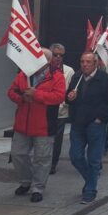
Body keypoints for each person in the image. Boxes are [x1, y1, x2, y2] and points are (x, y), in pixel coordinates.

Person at [8, 48, 66, 203]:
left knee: (42, 158)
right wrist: (22, 98)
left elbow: (59, 97)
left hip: (44, 126)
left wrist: (37, 95)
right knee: (17, 154)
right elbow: (11, 92)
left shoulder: (57, 77)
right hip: (23, 125)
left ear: (47, 61)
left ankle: (37, 188)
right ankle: (26, 181)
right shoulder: (23, 74)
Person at [66, 52, 108, 204]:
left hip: (95, 124)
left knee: (94, 159)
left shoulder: (104, 79)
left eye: (88, 62)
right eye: (82, 61)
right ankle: (90, 179)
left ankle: (90, 190)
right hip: (78, 123)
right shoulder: (77, 77)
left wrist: (100, 118)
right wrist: (69, 97)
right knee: (75, 156)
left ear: (95, 63)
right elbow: (69, 97)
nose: (84, 64)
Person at [49, 43, 74, 175]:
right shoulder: (44, 69)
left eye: (61, 55)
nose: (58, 58)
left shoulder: (69, 71)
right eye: (55, 55)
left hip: (60, 112)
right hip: (46, 111)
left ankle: (53, 163)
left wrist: (66, 101)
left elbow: (71, 90)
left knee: (57, 140)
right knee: (46, 139)